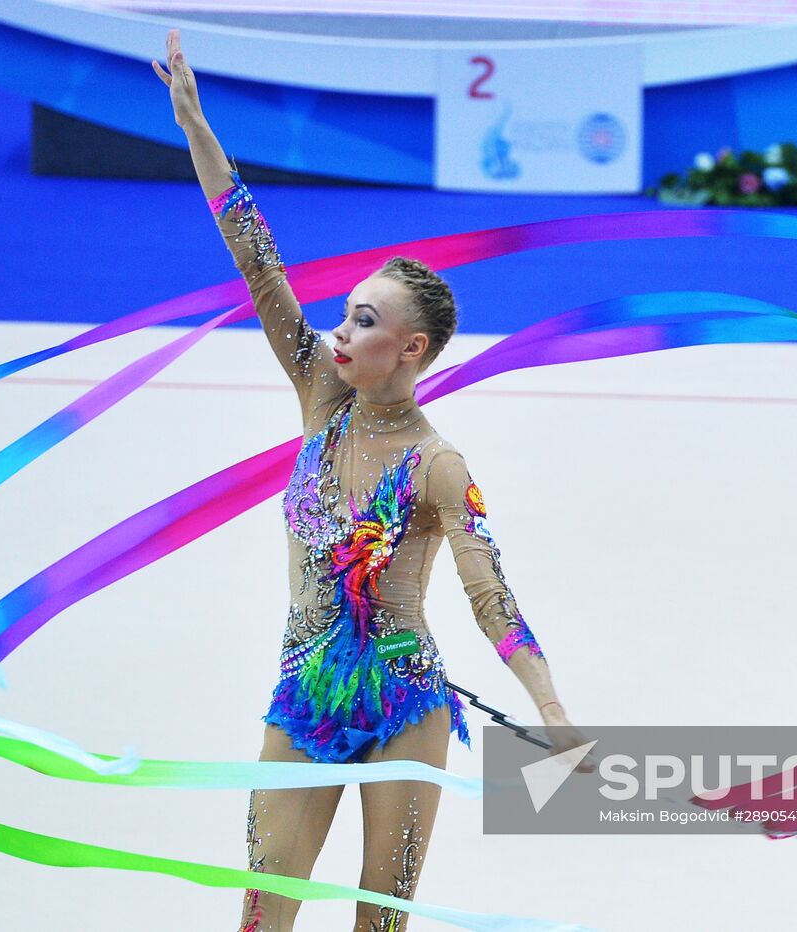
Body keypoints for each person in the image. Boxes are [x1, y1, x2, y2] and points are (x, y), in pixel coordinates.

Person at [153, 30, 591, 931]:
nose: (340, 333)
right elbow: (256, 260)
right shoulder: (321, 389)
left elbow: (490, 592)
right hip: (303, 691)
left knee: (377, 924)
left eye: (362, 320)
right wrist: (198, 128)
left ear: (412, 348)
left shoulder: (439, 465)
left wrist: (551, 710)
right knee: (261, 913)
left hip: (405, 706)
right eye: (344, 316)